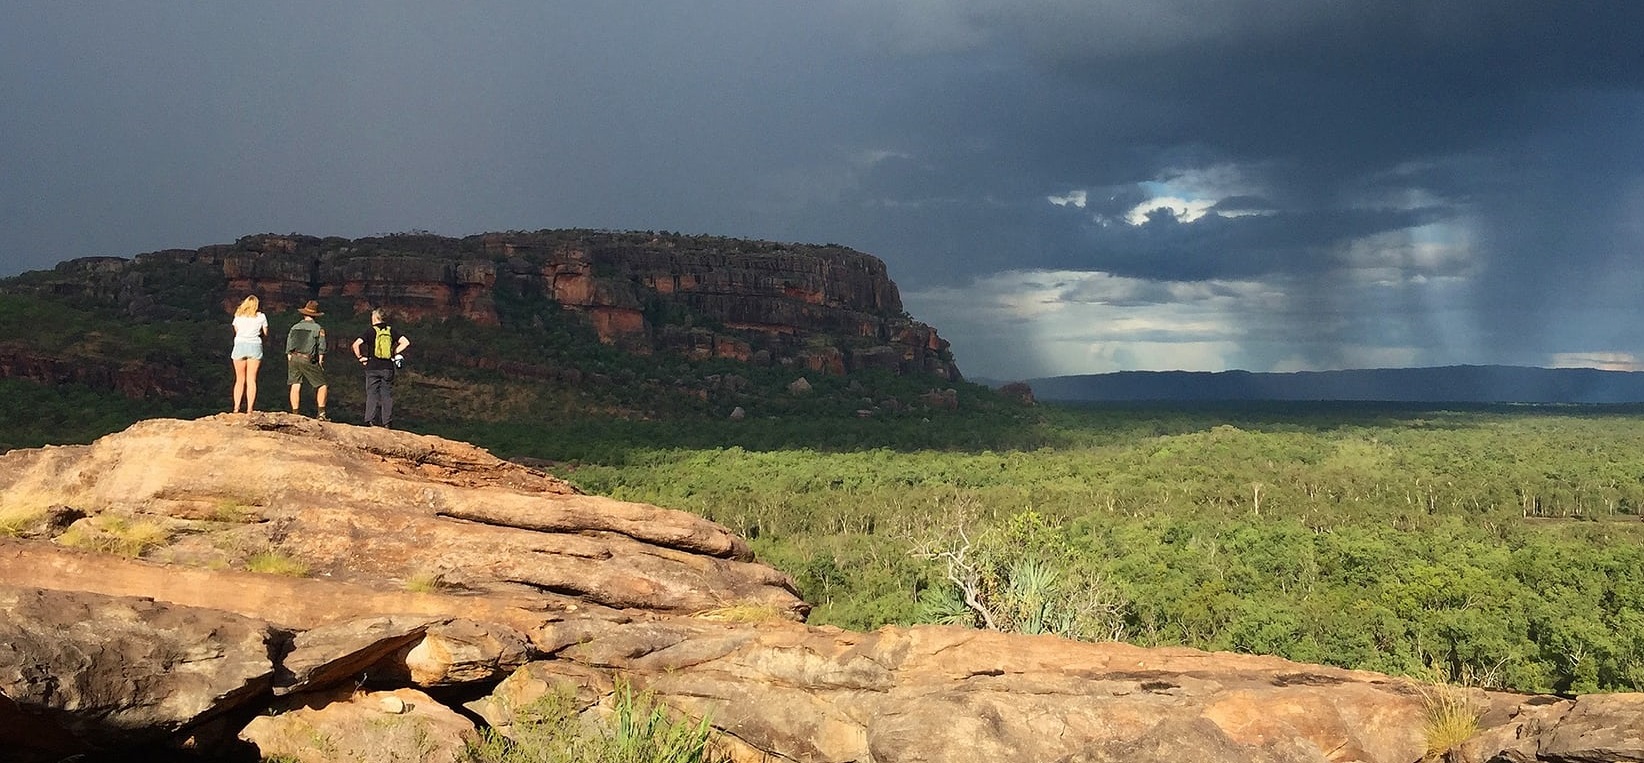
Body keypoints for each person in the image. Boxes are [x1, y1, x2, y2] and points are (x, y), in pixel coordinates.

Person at [350, 309, 410, 428]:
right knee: (386, 395)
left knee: (372, 393)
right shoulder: (391, 330)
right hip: (387, 367)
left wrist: (361, 357)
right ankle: (387, 422)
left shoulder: (370, 331)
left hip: (372, 366)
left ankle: (370, 420)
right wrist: (394, 351)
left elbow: (355, 344)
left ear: (375, 318)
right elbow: (406, 342)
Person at [285, 300, 330, 420]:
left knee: (295, 384)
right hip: (308, 358)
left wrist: (290, 357)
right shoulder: (317, 328)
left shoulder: (295, 327)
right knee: (322, 385)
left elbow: (289, 345)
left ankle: (295, 413)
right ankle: (321, 414)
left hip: (294, 357)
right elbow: (321, 347)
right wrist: (320, 361)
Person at [229, 295, 268, 413]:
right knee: (251, 379)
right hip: (255, 346)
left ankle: (236, 407)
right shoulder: (261, 316)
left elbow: (236, 331)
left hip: (240, 345)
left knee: (239, 379)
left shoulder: (238, 316)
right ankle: (250, 409)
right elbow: (265, 333)